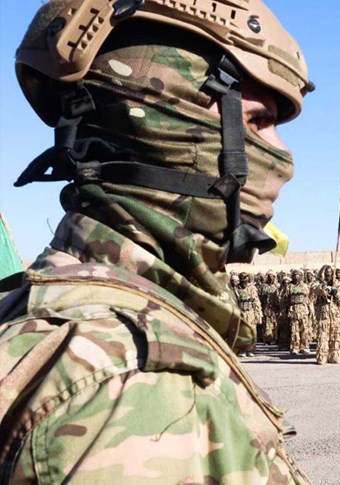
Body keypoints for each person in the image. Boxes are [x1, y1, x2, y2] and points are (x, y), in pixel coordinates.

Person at [0, 0, 314, 481]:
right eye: (257, 121)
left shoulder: (47, 309)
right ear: (166, 121)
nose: (283, 156)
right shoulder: (136, 383)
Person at [312, 265, 340, 365]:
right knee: (323, 335)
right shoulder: (318, 283)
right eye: (327, 272)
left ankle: (334, 356)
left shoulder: (336, 283)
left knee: (335, 334)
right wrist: (324, 288)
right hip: (323, 310)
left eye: (330, 272)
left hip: (334, 311)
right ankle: (322, 357)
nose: (329, 274)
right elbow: (314, 290)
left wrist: (336, 292)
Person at [285, 269, 312, 355]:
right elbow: (284, 298)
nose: (296, 276)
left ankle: (304, 346)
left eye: (298, 275)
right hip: (293, 309)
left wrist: (310, 309)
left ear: (301, 276)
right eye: (295, 275)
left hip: (303, 309)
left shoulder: (304, 286)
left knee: (304, 328)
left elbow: (309, 298)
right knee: (294, 329)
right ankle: (295, 347)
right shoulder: (289, 286)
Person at [236, 272, 263, 357]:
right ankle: (242, 350)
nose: (245, 282)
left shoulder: (252, 289)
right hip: (241, 313)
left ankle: (251, 349)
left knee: (252, 332)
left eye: (246, 280)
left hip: (250, 313)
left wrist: (258, 315)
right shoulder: (236, 289)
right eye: (243, 279)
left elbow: (256, 302)